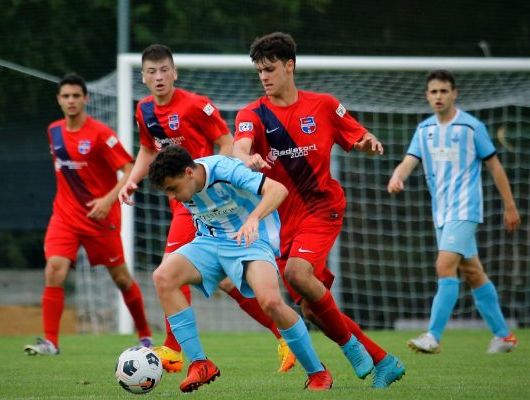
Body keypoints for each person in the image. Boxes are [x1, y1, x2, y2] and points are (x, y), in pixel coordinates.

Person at [233, 32, 405, 388]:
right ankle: (383, 361)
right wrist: (245, 156)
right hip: (283, 221)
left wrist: (368, 143)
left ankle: (350, 347)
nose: (264, 77)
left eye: (270, 69)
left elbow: (357, 136)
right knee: (312, 308)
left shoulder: (323, 105)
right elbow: (241, 142)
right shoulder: (253, 113)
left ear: (290, 66)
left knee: (297, 274)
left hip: (322, 207)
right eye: (259, 71)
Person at [118, 44, 295, 373]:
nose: (159, 77)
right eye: (152, 72)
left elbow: (226, 142)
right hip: (182, 201)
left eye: (164, 70)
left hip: (203, 201)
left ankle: (173, 350)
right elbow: (146, 149)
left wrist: (226, 179)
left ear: (175, 73)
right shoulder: (143, 110)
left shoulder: (197, 105)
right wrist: (133, 180)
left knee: (168, 270)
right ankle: (284, 334)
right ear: (142, 78)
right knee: (227, 283)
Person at [145, 145, 332, 393]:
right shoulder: (186, 186)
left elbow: (278, 189)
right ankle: (200, 363)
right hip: (210, 242)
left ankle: (317, 373)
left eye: (173, 189)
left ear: (189, 173)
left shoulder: (225, 169)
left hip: (251, 241)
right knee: (163, 276)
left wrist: (254, 218)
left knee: (272, 303)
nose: (172, 197)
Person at [388, 69, 521, 354]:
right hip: (442, 213)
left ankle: (432, 336)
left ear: (454, 94)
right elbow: (409, 161)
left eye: (443, 91)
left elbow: (495, 167)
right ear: (427, 96)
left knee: (444, 266)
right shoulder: (424, 130)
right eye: (433, 92)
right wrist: (397, 176)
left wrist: (510, 205)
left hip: (466, 208)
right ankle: (504, 336)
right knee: (473, 272)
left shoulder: (471, 128)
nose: (438, 96)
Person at [24, 73, 152, 355]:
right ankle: (51, 343)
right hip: (65, 217)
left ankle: (145, 335)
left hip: (100, 219)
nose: (71, 101)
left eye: (76, 96)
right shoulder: (53, 131)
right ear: (59, 100)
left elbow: (130, 169)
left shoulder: (101, 134)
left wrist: (108, 200)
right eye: (66, 96)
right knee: (54, 270)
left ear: (86, 99)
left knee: (121, 278)